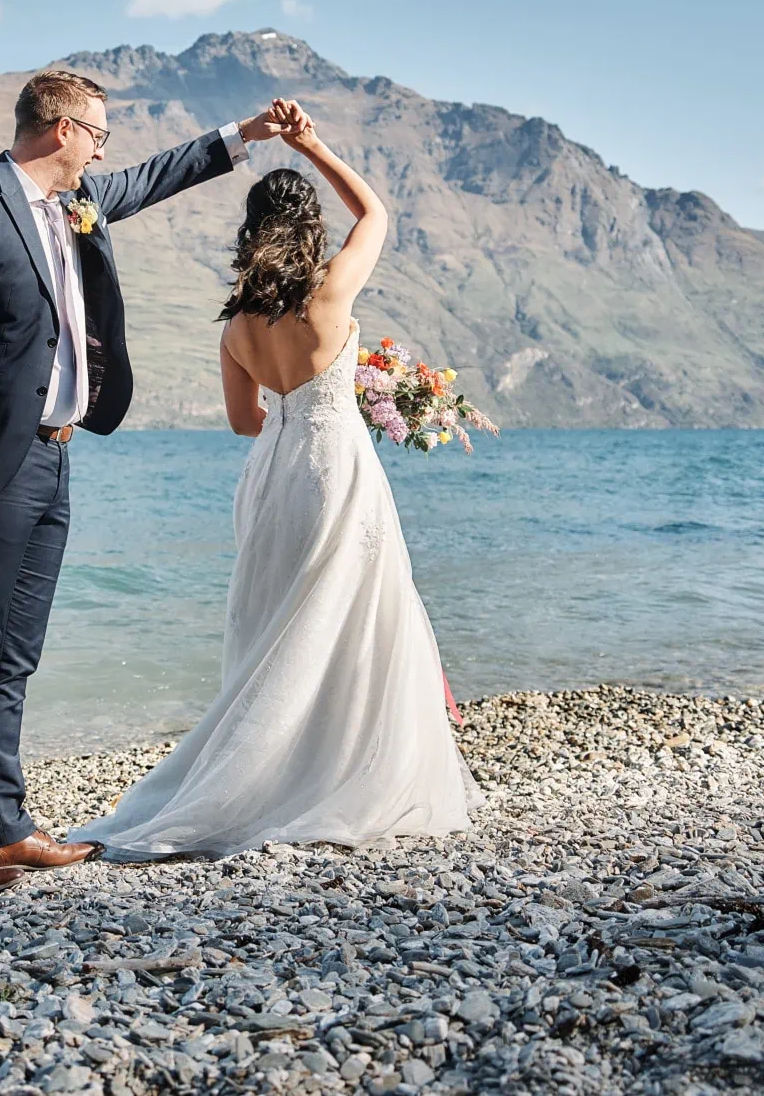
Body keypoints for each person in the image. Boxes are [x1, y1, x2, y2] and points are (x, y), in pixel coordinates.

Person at [0, 69, 295, 895]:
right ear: (62, 130)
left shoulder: (79, 202)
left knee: (14, 654)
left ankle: (1, 829)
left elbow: (157, 176)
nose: (105, 153)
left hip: (56, 454)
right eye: (99, 135)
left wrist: (246, 135)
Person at [70, 101, 482, 859]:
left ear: (252, 232)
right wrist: (313, 144)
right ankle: (335, 773)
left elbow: (243, 420)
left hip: (272, 478)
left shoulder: (236, 325)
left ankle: (259, 774)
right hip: (335, 470)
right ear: (310, 229)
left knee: (276, 625)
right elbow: (376, 213)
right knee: (347, 617)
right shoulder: (330, 293)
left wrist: (293, 415)